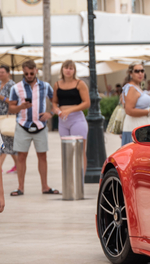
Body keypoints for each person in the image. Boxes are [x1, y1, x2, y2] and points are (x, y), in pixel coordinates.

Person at [7, 60, 58, 196]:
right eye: (26, 73)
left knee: (42, 155)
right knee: (21, 156)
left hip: (40, 125)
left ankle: (45, 187)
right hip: (23, 125)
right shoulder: (16, 88)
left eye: (31, 72)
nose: (29, 75)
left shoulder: (45, 86)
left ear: (36, 70)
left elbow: (55, 101)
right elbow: (11, 108)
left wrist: (50, 113)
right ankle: (20, 188)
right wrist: (20, 107)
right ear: (23, 72)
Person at [51, 60, 90, 172]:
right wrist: (57, 109)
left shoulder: (80, 83)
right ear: (62, 69)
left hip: (77, 119)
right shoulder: (57, 84)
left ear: (74, 71)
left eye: (71, 68)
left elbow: (87, 103)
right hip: (62, 121)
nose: (68, 71)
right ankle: (69, 182)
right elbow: (54, 101)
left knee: (79, 151)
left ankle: (80, 182)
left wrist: (70, 110)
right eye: (66, 68)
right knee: (66, 151)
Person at [121, 62, 150, 146]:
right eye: (137, 71)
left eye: (142, 70)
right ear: (130, 73)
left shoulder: (136, 87)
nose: (140, 73)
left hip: (142, 127)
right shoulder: (131, 88)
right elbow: (129, 110)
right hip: (136, 128)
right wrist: (149, 112)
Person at [0, 65, 17, 174]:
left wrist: (3, 98)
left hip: (7, 117)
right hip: (0, 117)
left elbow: (15, 101)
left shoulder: (12, 85)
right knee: (7, 144)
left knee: (5, 143)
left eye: (2, 72)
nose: (0, 74)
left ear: (8, 73)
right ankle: (17, 164)